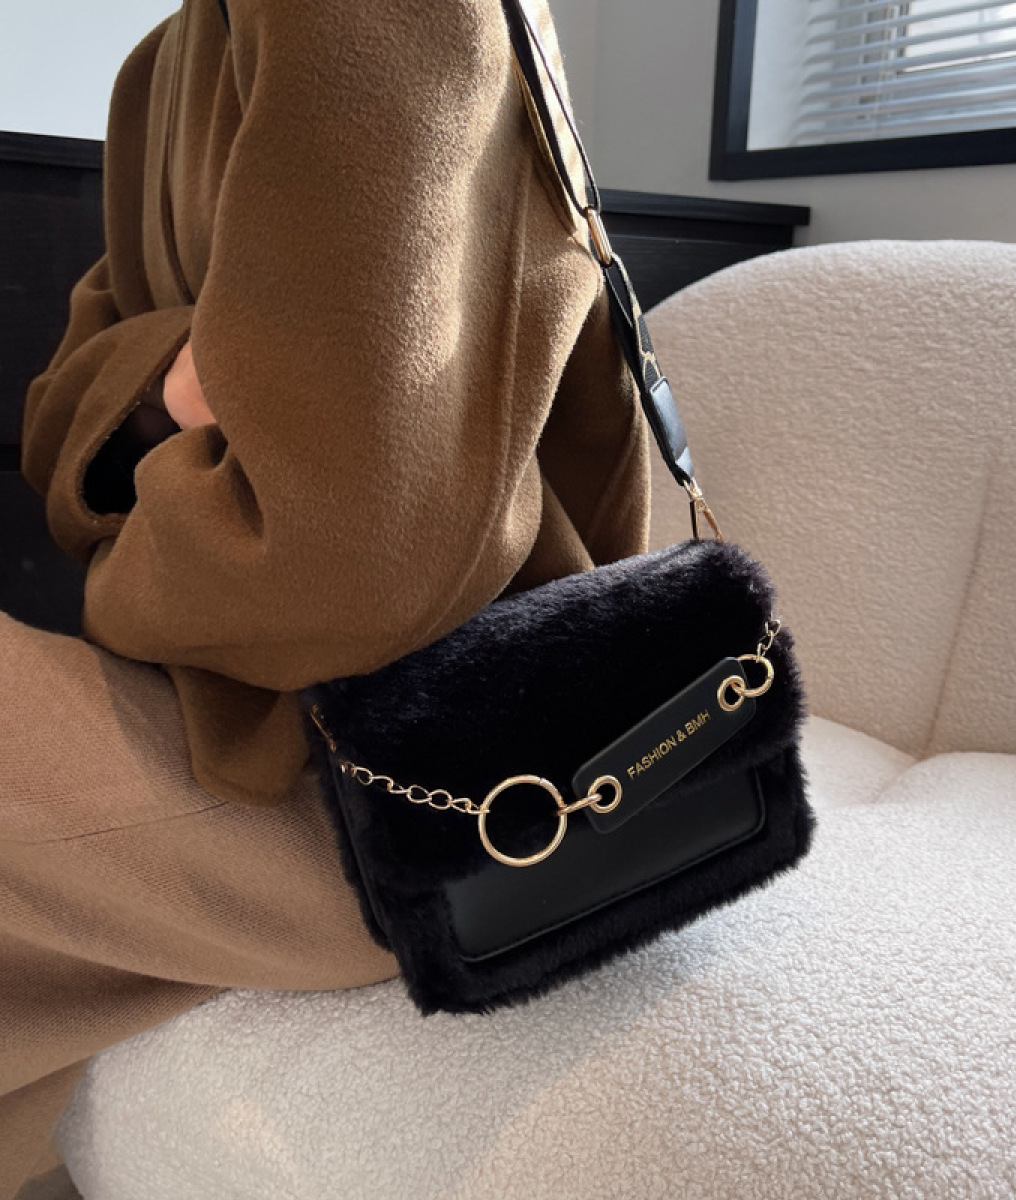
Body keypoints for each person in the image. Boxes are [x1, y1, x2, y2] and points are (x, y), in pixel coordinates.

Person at [1, 0, 652, 1192]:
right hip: (245, 698)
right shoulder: (160, 64)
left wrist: (125, 538)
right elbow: (54, 424)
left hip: (419, 775)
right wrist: (183, 381)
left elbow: (347, 570)